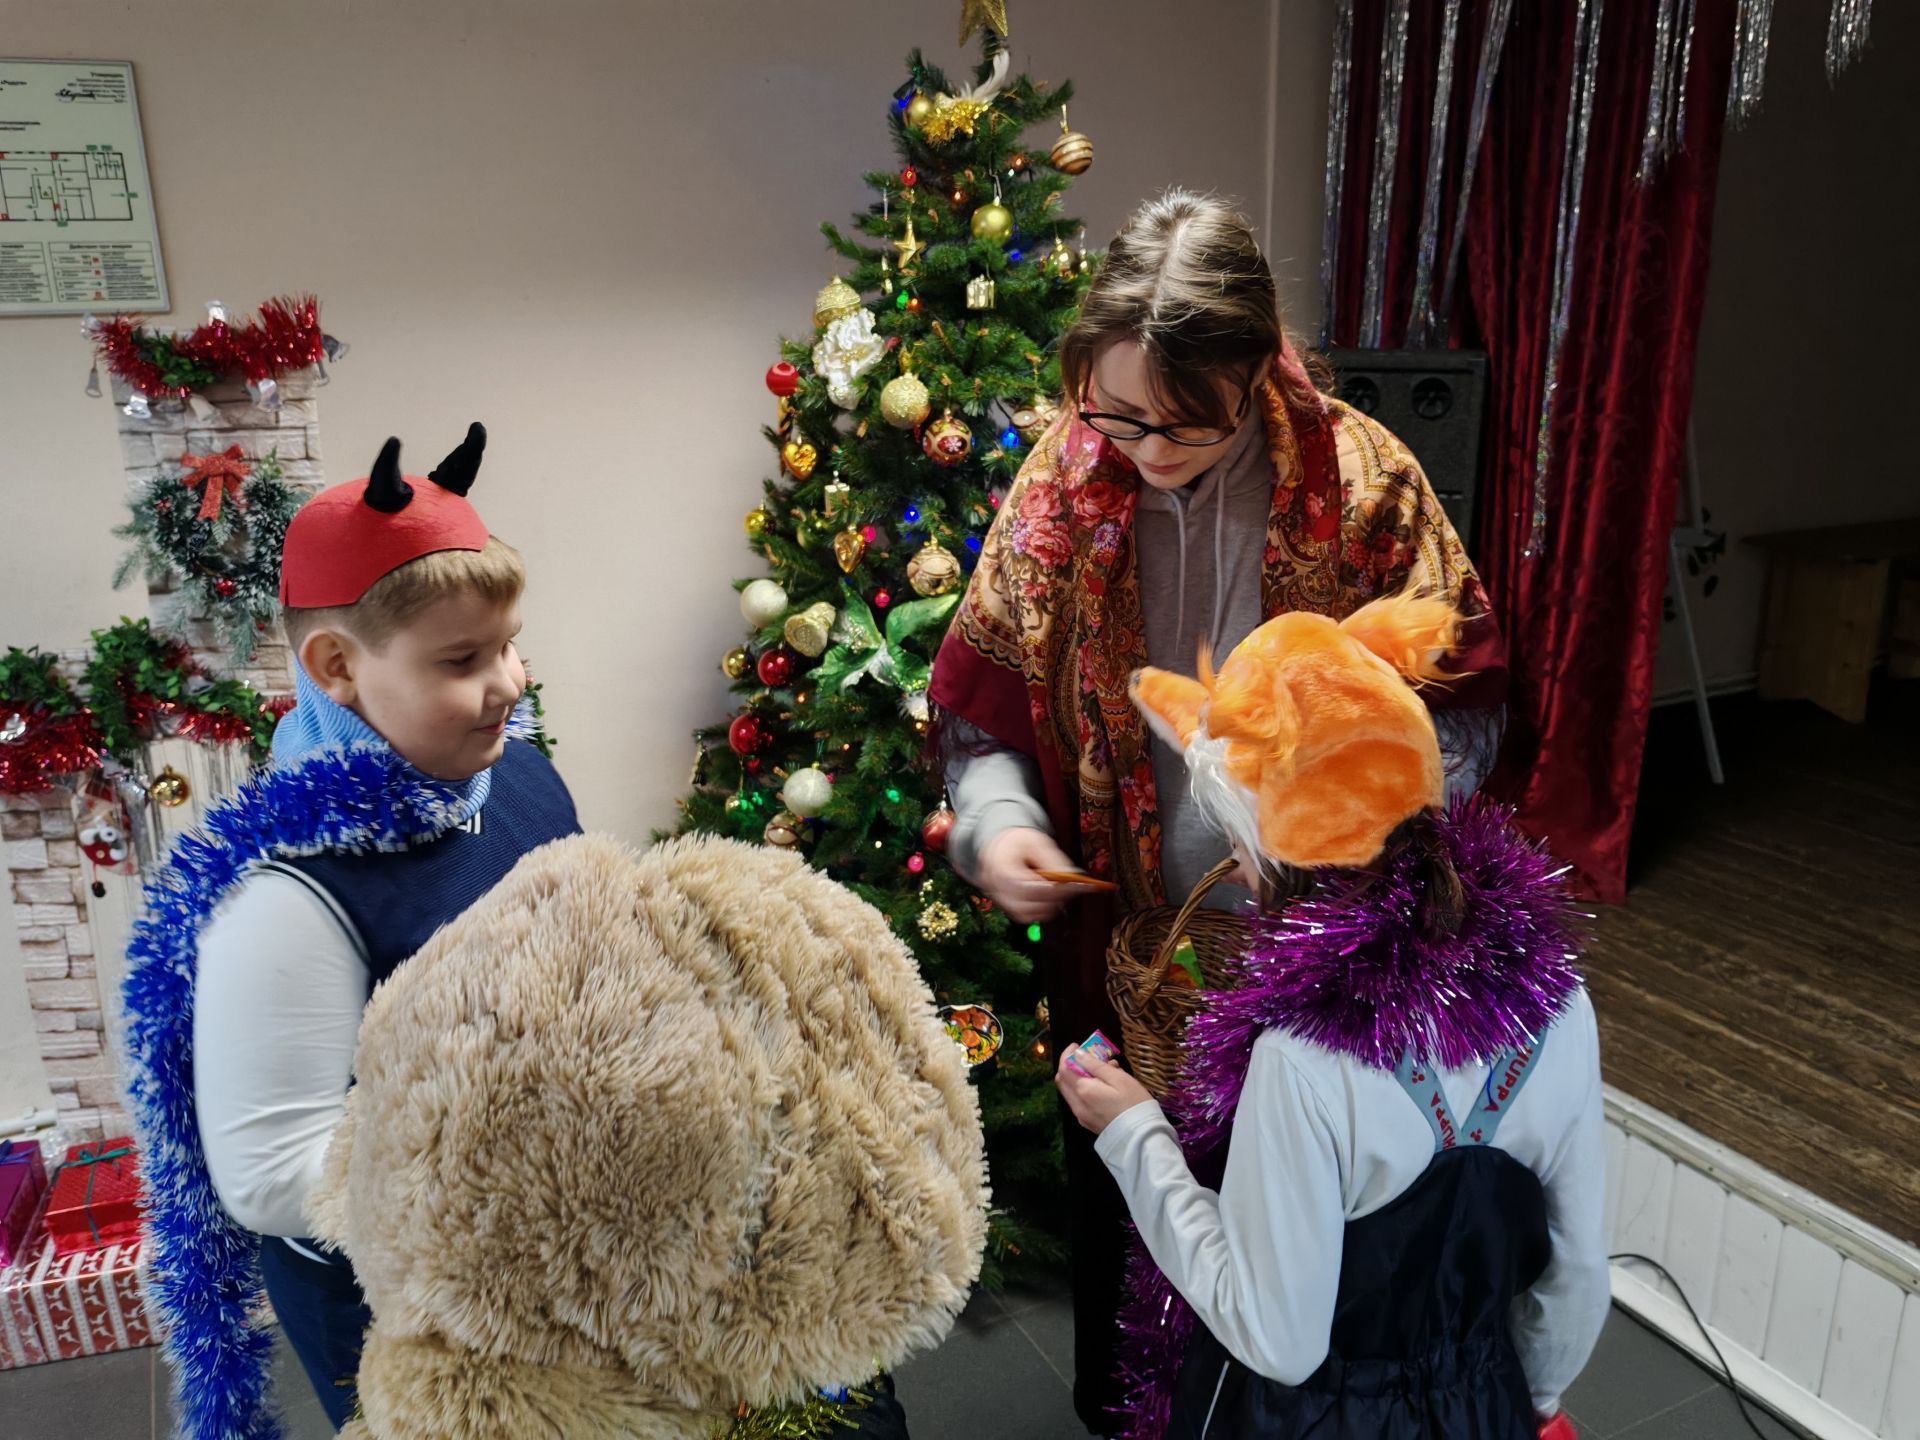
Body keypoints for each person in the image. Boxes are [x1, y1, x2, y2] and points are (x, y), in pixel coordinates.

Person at [928, 189, 1506, 1432]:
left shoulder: (1367, 489)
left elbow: (1465, 713)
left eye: (1185, 425)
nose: (1142, 452)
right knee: (1136, 1257)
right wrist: (997, 822)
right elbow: (978, 709)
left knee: (1299, 1294)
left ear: (1257, 365)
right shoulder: (1059, 489)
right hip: (1128, 960)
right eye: (1111, 413)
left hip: (1327, 972)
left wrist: (1347, 836)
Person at [121, 425, 582, 1436]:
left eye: (508, 643)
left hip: (551, 1262)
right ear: (336, 664)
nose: (508, 681)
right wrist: (539, 1133)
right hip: (405, 1311)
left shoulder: (522, 777)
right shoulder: (286, 895)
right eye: (464, 658)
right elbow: (272, 1175)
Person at [1058, 594, 1608, 1439]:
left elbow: (1278, 1339)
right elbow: (1575, 1283)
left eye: (1239, 838)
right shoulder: (1560, 1001)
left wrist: (1136, 1136)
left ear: (1283, 838)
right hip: (1484, 1402)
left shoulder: (1302, 1057)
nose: (1235, 868)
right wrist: (1520, 1403)